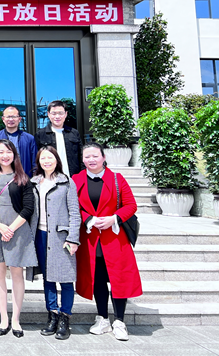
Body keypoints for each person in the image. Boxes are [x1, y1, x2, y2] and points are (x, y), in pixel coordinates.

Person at [73, 143, 142, 341]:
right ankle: (102, 318)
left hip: (115, 238)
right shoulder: (76, 180)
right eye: (87, 157)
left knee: (119, 279)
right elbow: (73, 206)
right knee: (98, 279)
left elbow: (131, 205)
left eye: (95, 156)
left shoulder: (117, 179)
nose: (91, 160)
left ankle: (119, 321)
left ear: (103, 157)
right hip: (90, 239)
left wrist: (114, 218)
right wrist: (88, 218)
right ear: (82, 159)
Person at [0, 139, 37, 338]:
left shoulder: (22, 178)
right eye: (0, 152)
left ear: (14, 154)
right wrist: (0, 227)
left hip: (17, 229)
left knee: (16, 273)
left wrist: (11, 229)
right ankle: (4, 318)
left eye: (8, 152)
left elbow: (28, 208)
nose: (4, 156)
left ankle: (16, 319)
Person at [27, 146, 81, 340]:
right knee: (48, 278)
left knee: (65, 279)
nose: (46, 161)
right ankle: (52, 315)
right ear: (39, 161)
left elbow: (74, 212)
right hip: (40, 235)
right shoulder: (34, 182)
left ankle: (65, 318)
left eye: (50, 157)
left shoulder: (66, 182)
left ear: (57, 160)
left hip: (61, 237)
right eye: (43, 158)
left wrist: (73, 238)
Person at [36, 100, 82, 178]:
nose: (57, 116)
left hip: (73, 177)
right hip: (50, 178)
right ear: (48, 114)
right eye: (54, 113)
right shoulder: (40, 134)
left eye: (60, 113)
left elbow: (81, 155)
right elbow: (37, 159)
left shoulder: (74, 133)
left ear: (66, 114)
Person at [0, 106, 37, 175]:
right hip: (1, 177)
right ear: (3, 119)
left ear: (19, 119)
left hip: (24, 177)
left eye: (14, 117)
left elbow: (35, 162)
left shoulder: (29, 138)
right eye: (8, 117)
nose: (11, 119)